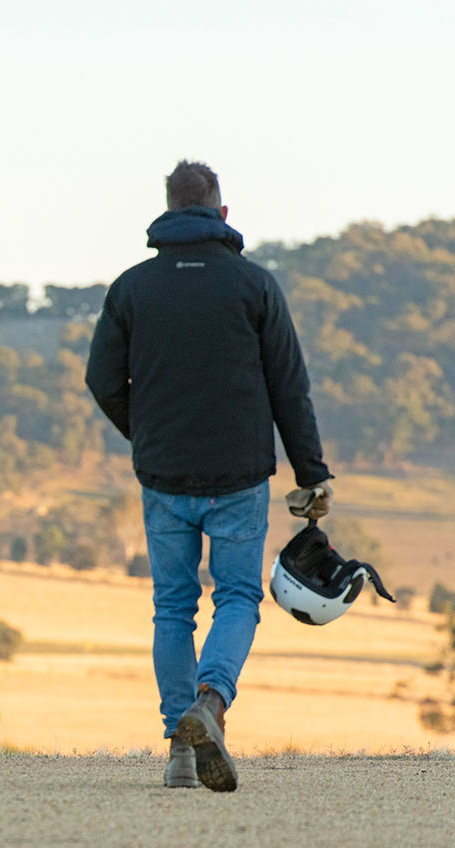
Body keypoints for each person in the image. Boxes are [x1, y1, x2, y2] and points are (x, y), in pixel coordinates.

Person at [85, 160, 333, 792]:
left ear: (169, 212)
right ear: (222, 213)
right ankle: (211, 703)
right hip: (239, 476)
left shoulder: (131, 288)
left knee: (172, 607)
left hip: (163, 474)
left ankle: (181, 749)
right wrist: (312, 474)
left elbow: (102, 380)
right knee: (237, 599)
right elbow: (290, 387)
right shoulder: (255, 285)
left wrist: (147, 435)